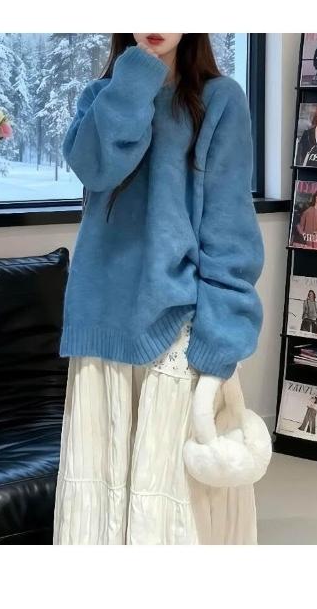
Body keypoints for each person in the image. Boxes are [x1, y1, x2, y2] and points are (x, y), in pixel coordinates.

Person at [53, 34, 265, 545]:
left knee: (167, 509)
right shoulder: (102, 96)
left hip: (176, 326)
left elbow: (229, 231)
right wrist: (136, 77)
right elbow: (96, 167)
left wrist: (221, 340)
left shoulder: (220, 101)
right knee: (99, 502)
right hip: (101, 325)